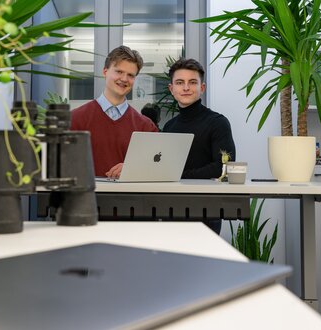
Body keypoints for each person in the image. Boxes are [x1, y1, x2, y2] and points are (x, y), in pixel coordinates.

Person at [163, 58, 236, 233]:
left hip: (206, 209)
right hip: (171, 208)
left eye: (192, 82)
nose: (186, 88)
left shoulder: (218, 123)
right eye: (180, 83)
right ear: (171, 89)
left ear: (202, 88)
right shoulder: (169, 127)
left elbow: (223, 167)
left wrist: (179, 176)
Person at [70, 46, 158, 178]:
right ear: (105, 72)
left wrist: (133, 168)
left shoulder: (146, 126)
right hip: (87, 197)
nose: (124, 79)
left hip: (131, 197)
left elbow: (157, 168)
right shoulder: (75, 119)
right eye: (119, 72)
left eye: (130, 75)